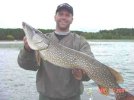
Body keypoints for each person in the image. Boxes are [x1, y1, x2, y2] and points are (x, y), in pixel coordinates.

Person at [18, 3, 94, 100]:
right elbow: (27, 66)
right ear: (55, 17)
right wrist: (27, 50)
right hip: (46, 97)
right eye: (61, 14)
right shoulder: (42, 44)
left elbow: (91, 72)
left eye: (67, 15)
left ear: (72, 19)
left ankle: (119, 92)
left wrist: (82, 74)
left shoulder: (81, 42)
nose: (64, 17)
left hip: (72, 97)